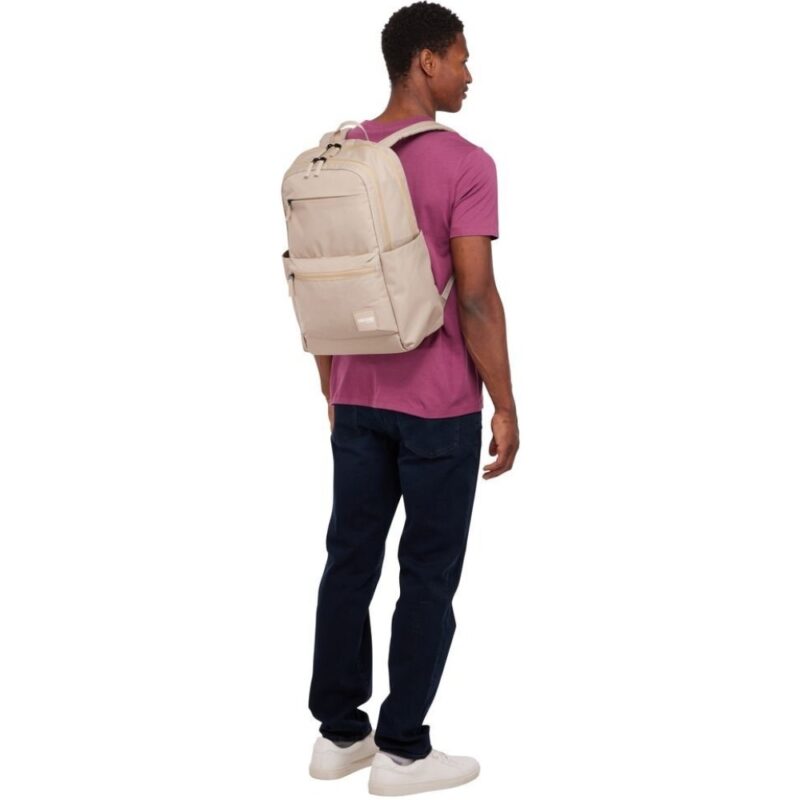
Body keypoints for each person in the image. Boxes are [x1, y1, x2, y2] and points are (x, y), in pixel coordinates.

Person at [307, 2, 518, 794]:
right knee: (427, 573)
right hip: (437, 405)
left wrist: (331, 386)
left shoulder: (339, 155)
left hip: (355, 395)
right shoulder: (467, 163)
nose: (469, 74)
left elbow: (321, 283)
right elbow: (475, 296)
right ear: (426, 61)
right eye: (461, 57)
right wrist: (506, 403)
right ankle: (402, 751)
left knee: (349, 561)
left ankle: (338, 736)